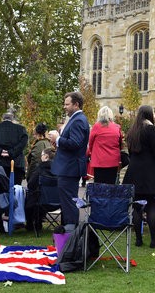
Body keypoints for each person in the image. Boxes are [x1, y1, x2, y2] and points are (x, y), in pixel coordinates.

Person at [122, 105, 155, 248]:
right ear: (148, 114)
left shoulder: (132, 131)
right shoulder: (150, 129)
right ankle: (154, 240)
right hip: (149, 171)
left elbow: (130, 151)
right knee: (152, 205)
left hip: (134, 170)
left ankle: (139, 239)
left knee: (136, 206)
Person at [48, 92, 90, 231]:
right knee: (67, 201)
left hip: (70, 168)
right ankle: (68, 231)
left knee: (69, 201)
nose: (64, 107)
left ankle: (71, 232)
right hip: (68, 167)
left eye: (67, 104)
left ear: (76, 104)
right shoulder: (76, 119)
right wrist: (58, 142)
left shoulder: (78, 120)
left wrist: (58, 139)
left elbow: (75, 143)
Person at [0, 113, 29, 185]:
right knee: (15, 189)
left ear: (2, 119)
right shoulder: (21, 129)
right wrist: (11, 152)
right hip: (16, 164)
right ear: (12, 120)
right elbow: (23, 143)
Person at [88, 106, 124, 184]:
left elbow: (90, 143)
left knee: (99, 185)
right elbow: (120, 144)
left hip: (99, 161)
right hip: (113, 161)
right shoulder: (117, 127)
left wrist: (91, 152)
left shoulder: (96, 126)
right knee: (110, 185)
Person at [25, 147, 55, 232]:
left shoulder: (40, 169)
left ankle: (31, 224)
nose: (40, 157)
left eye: (41, 155)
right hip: (57, 202)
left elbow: (30, 184)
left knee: (30, 195)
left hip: (41, 201)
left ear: (46, 156)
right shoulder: (59, 170)